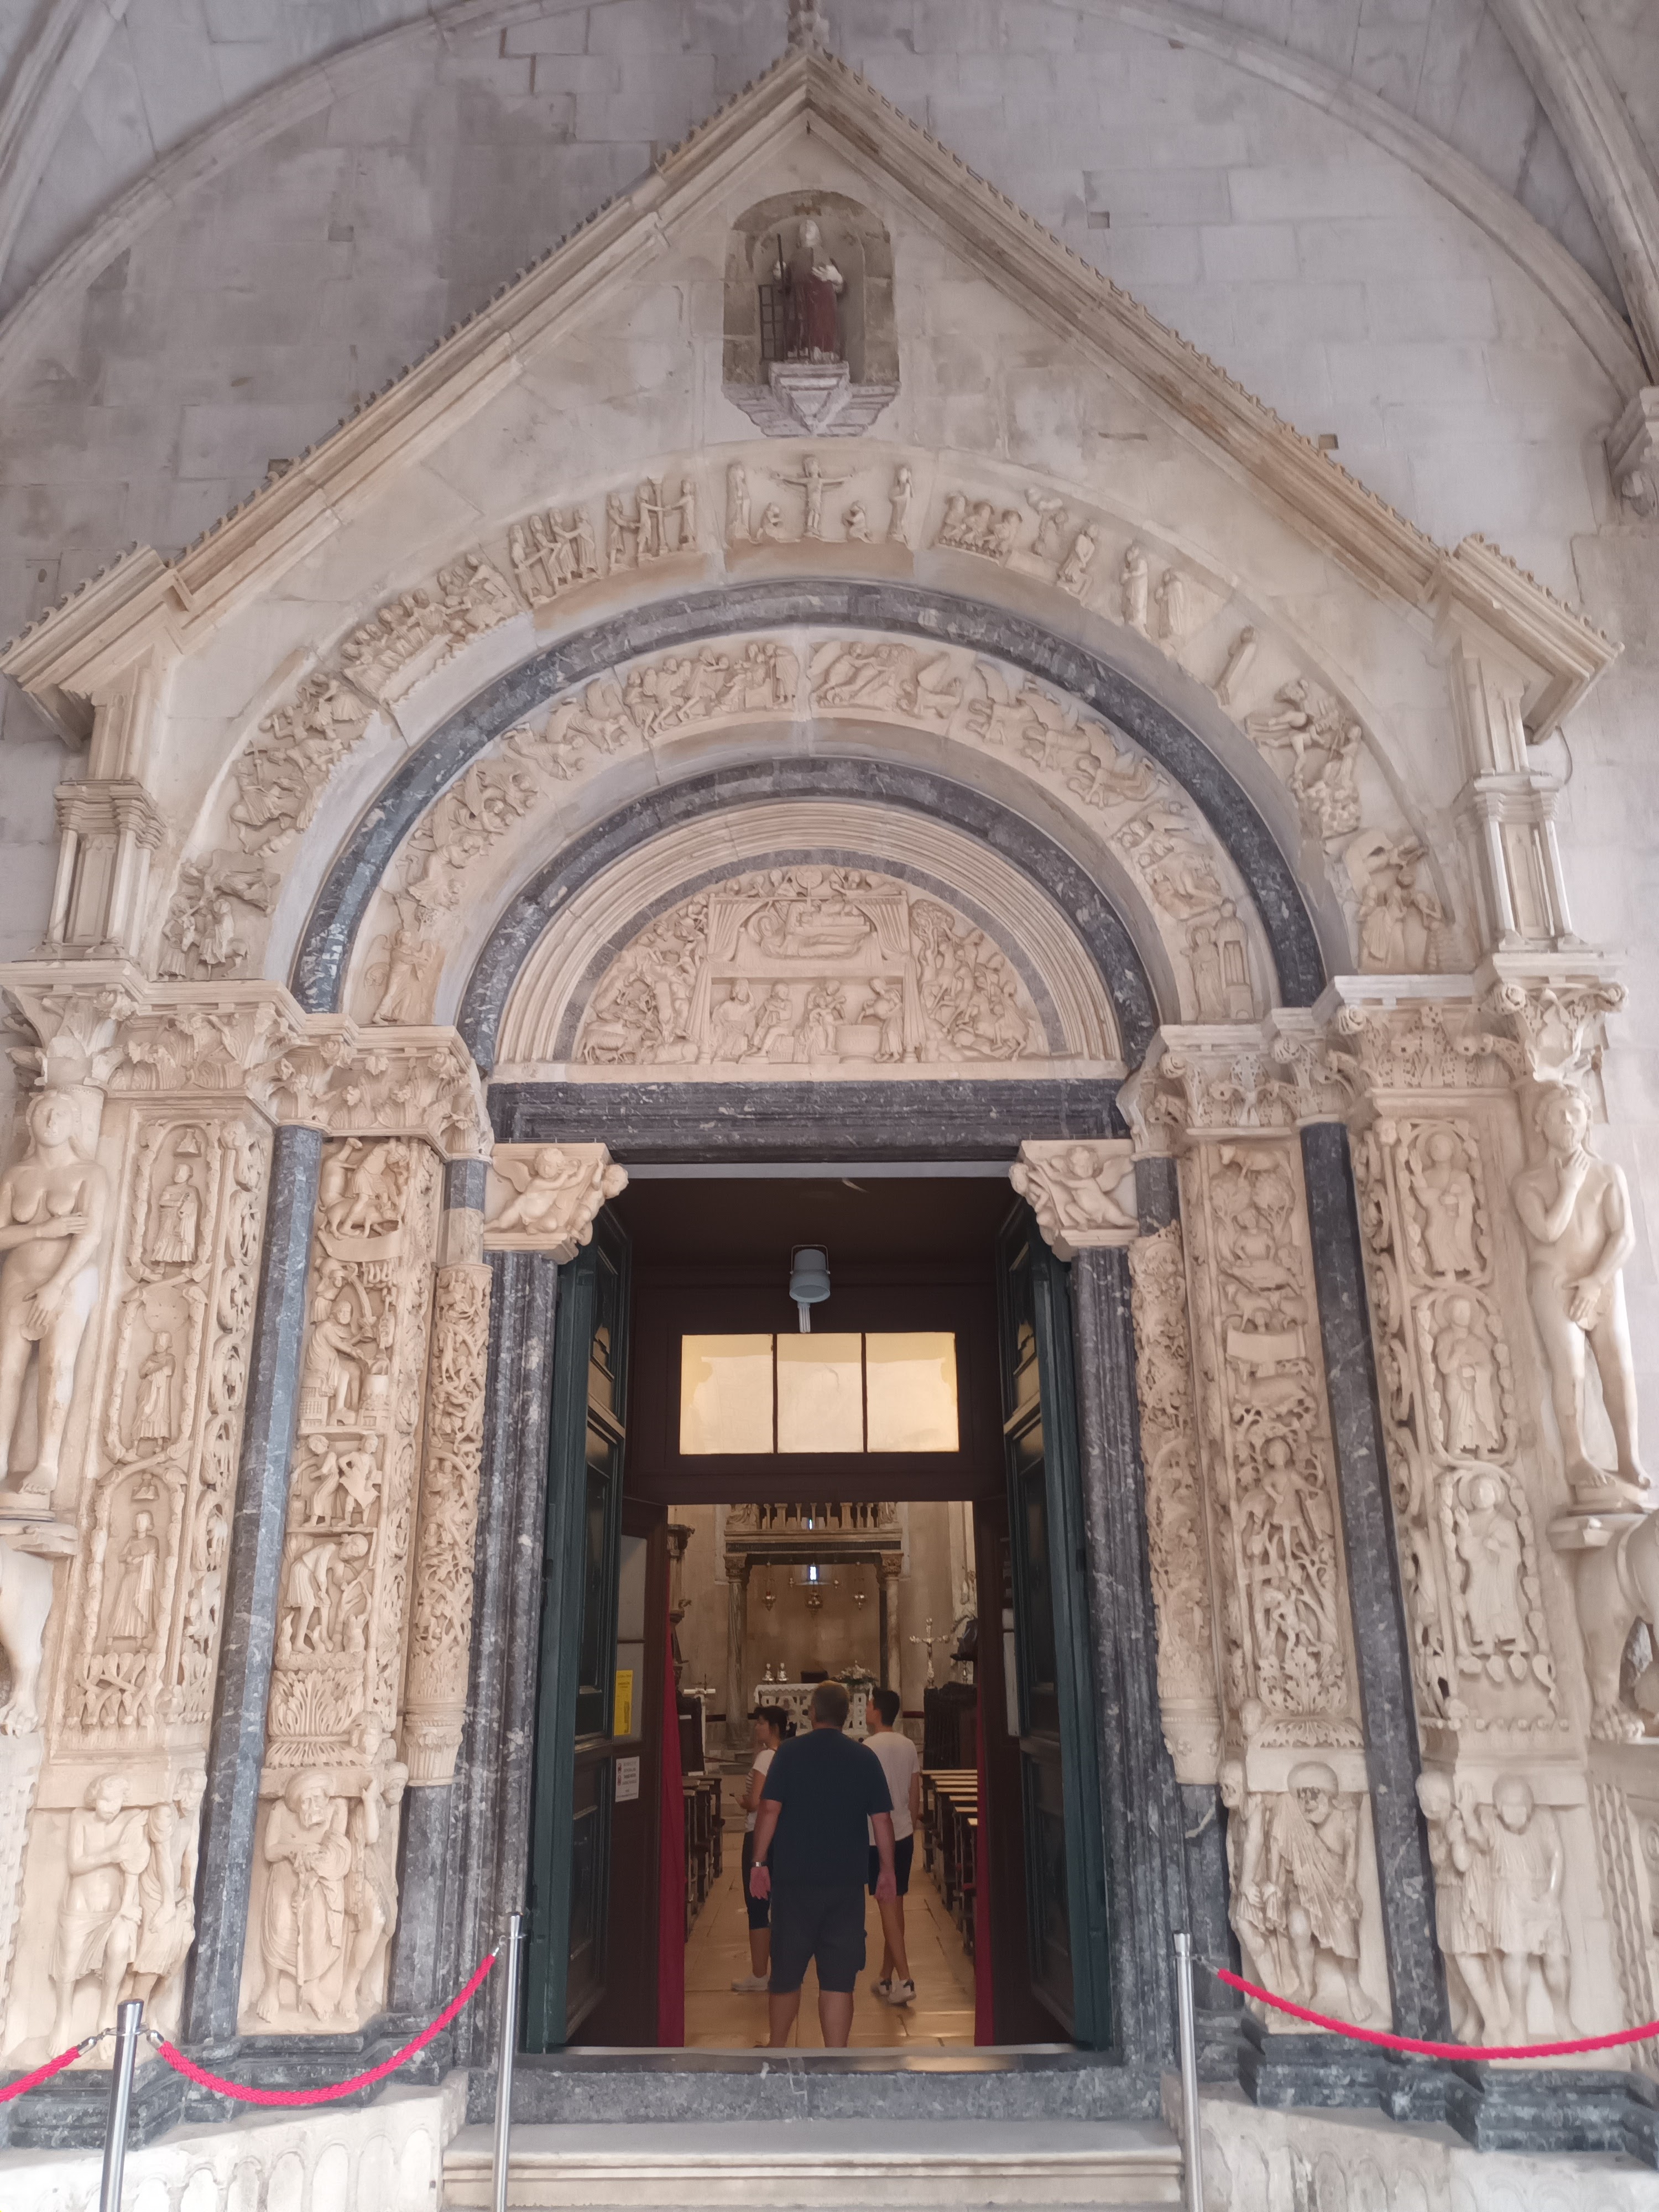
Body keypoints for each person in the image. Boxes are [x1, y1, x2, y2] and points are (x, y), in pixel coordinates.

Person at [749, 1679, 895, 2047]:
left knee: (786, 1975)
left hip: (794, 1883)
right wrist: (887, 1871)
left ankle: (778, 2050)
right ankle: (836, 2059)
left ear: (812, 1712)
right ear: (847, 1716)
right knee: (838, 1980)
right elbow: (882, 1820)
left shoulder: (789, 1754)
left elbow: (769, 1809)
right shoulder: (864, 1758)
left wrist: (759, 1863)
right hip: (845, 1885)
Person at [863, 1687, 921, 2005]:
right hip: (903, 1833)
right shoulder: (908, 1745)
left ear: (878, 1712)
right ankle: (886, 1977)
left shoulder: (868, 1747)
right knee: (895, 1906)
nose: (866, 1710)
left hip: (877, 1837)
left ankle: (905, 1980)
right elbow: (915, 1792)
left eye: (869, 1705)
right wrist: (909, 1825)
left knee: (888, 1907)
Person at [732, 1705, 789, 1993]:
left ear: (774, 1728)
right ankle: (781, 1969)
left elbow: (756, 1802)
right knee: (775, 1902)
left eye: (762, 1723)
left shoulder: (766, 1757)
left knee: (757, 1903)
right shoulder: (784, 1755)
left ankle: (759, 1973)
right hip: (780, 1835)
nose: (757, 1728)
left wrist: (743, 1802)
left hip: (758, 1834)